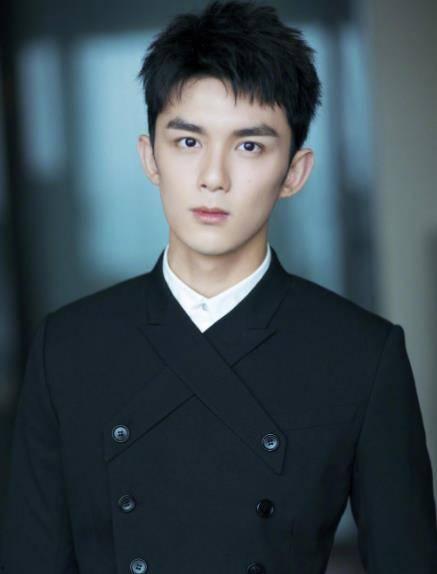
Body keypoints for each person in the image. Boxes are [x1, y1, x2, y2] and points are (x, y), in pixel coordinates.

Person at [1, 1, 437, 572]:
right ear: (150, 157)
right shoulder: (67, 347)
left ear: (295, 172)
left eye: (249, 145)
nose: (214, 177)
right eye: (188, 142)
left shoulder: (362, 356)